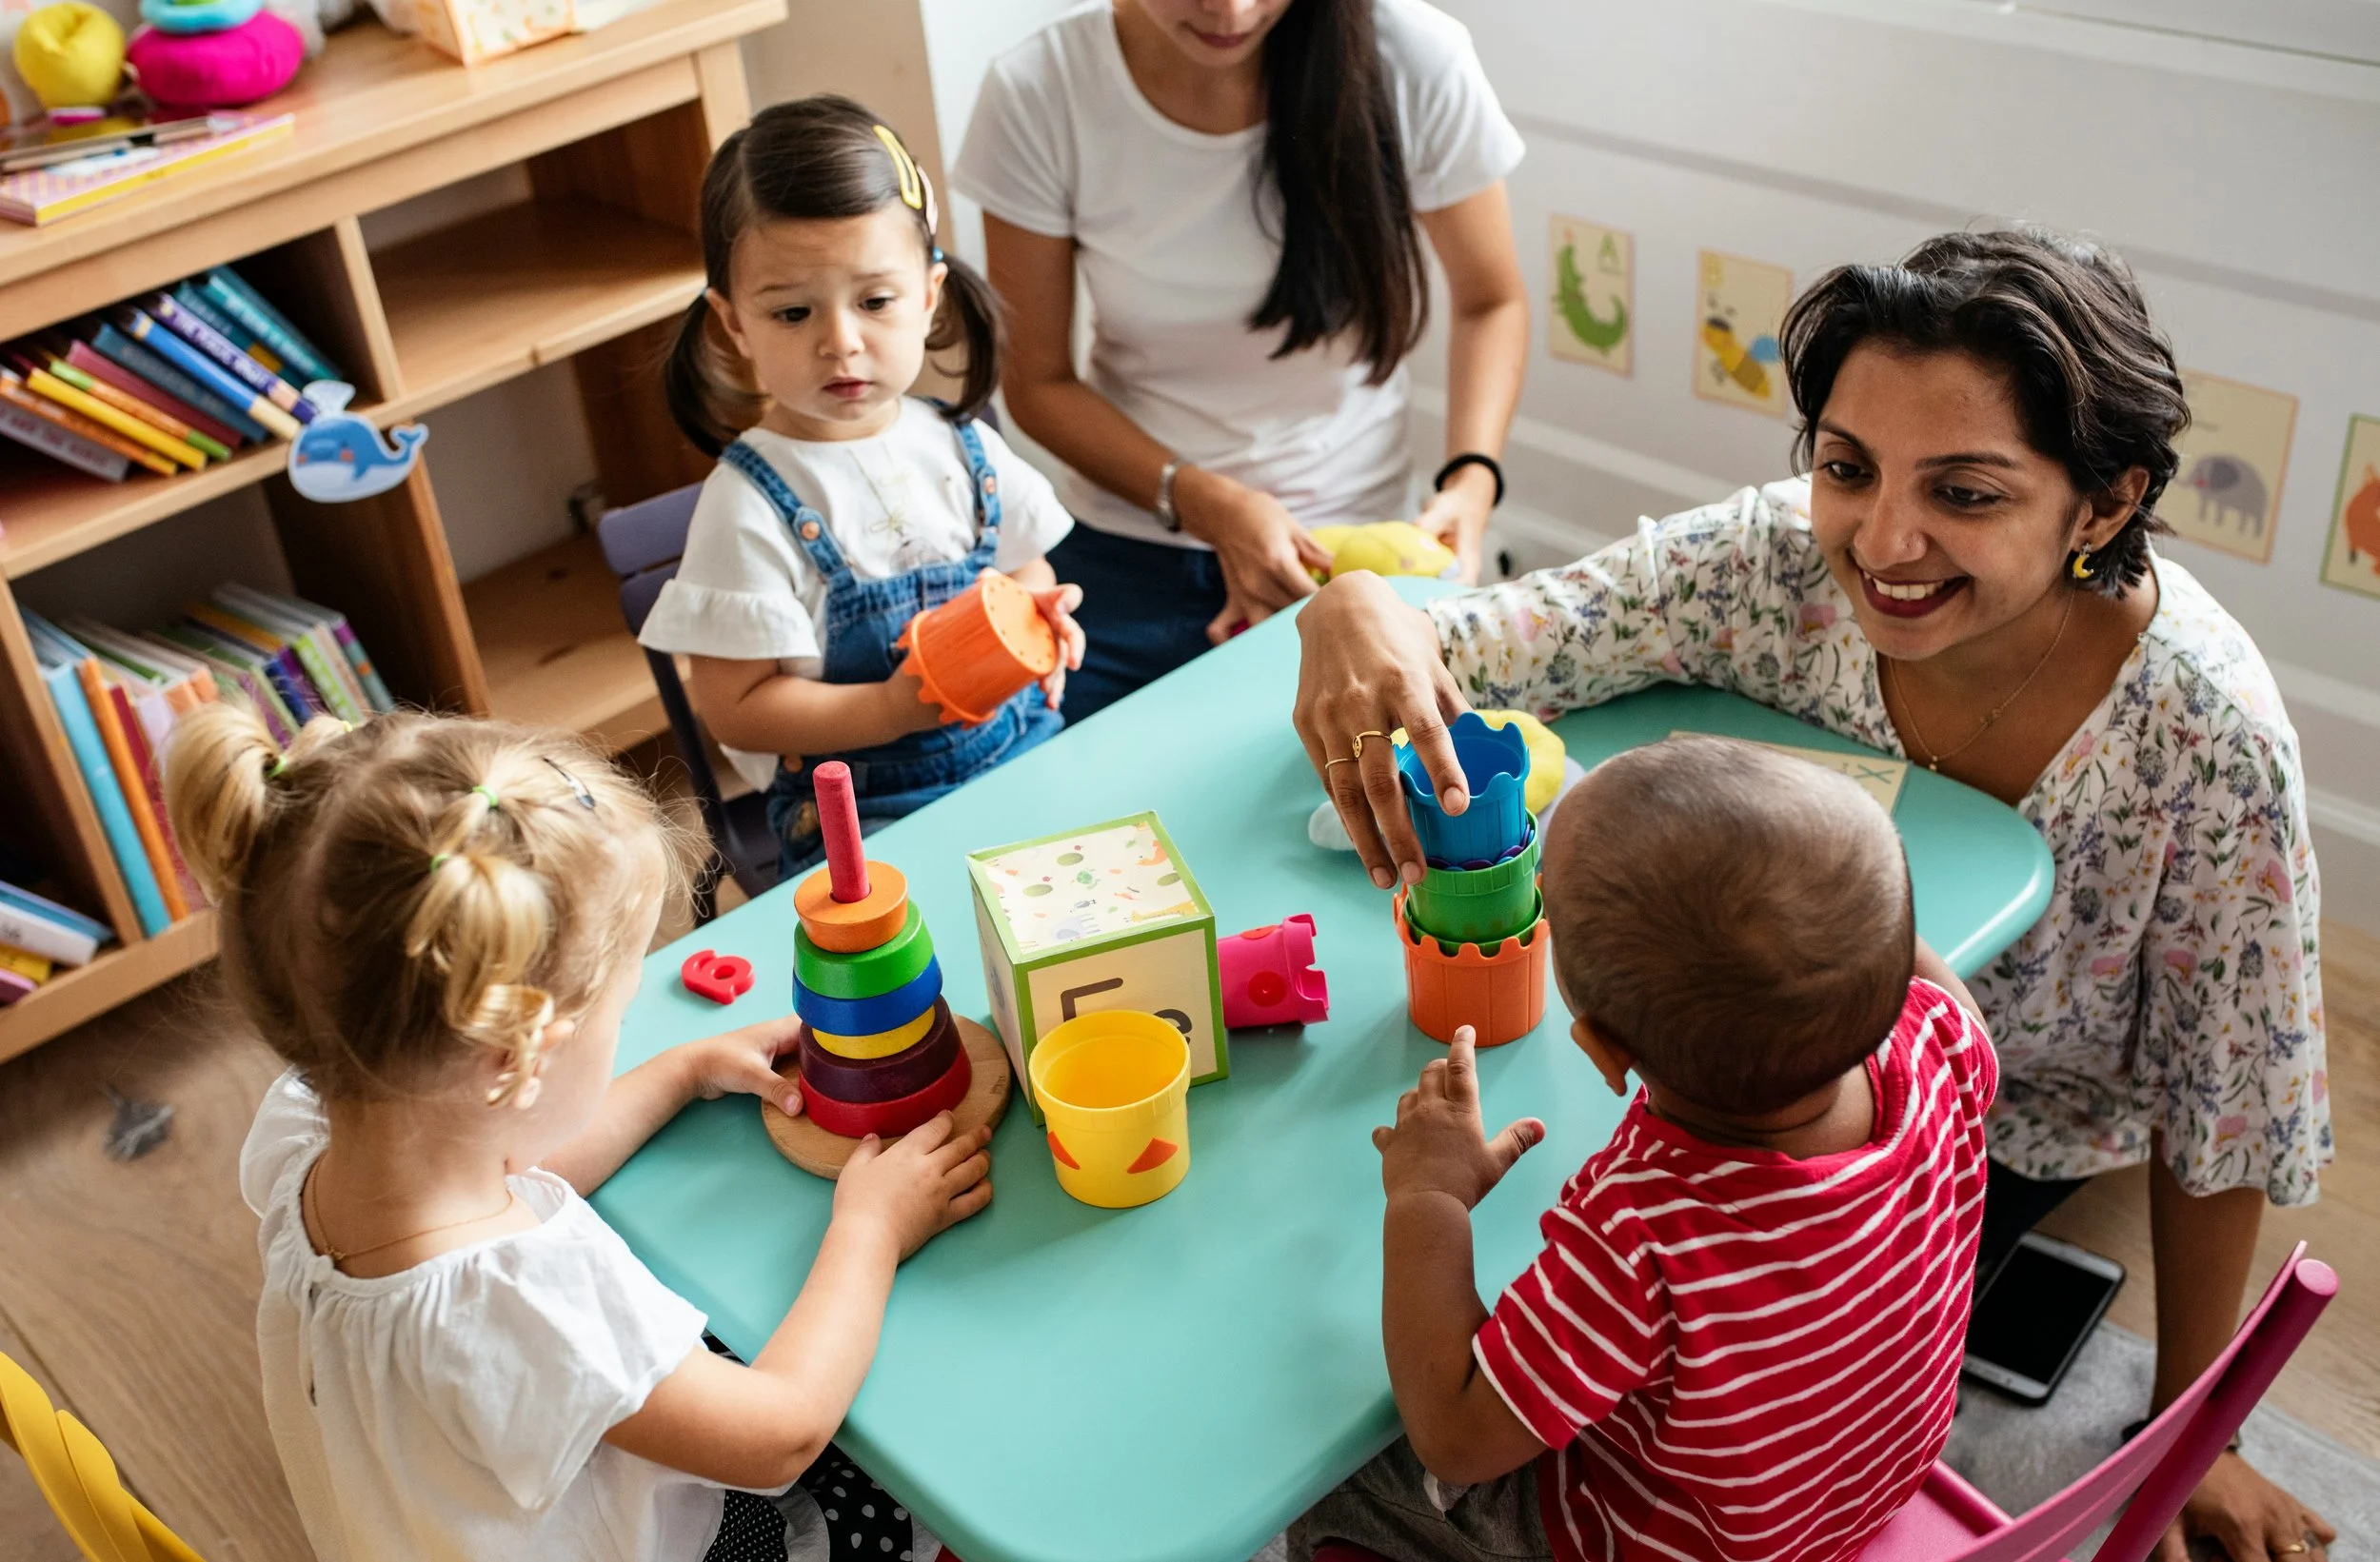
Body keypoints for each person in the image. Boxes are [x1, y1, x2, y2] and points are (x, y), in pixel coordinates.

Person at [1293, 228, 2334, 1562]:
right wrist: (1360, 606)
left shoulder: (2209, 737)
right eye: (1846, 469)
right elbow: (1491, 638)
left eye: (1965, 492)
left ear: (2106, 504)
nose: (1883, 541)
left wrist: (2206, 1427)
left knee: (1384, 1373)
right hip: (1860, 1102)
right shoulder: (1769, 568)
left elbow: (2226, 1109)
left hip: (1999, 1134)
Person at [166, 704, 993, 1561]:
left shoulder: (312, 1127)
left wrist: (678, 1071)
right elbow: (779, 1432)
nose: (627, 1029)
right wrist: (870, 1229)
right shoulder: (521, 1303)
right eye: (620, 1013)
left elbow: (509, 1158)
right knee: (907, 1494)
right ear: (517, 1059)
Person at [1291, 737, 1999, 1562]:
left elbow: (1454, 1432)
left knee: (1342, 1467)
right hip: (1846, 1495)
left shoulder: (1642, 1233)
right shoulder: (1939, 1042)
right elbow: (1922, 979)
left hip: (1674, 1543)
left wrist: (1429, 1198)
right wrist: (1843, 906)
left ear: (1600, 1049)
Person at [952, 0, 1530, 720]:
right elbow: (1036, 381)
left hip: (1350, 555)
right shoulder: (1041, 90)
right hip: (1132, 549)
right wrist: (1211, 504)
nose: (1230, 9)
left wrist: (1472, 479)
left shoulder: (1415, 58)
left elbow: (1491, 302)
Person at [645, 97, 1086, 879]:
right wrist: (890, 709)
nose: (841, 341)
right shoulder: (748, 505)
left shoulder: (963, 445)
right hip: (870, 820)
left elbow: (1025, 568)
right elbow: (736, 706)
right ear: (733, 324)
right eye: (791, 311)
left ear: (929, 294)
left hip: (1024, 755)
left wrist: (1038, 621)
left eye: (875, 301)